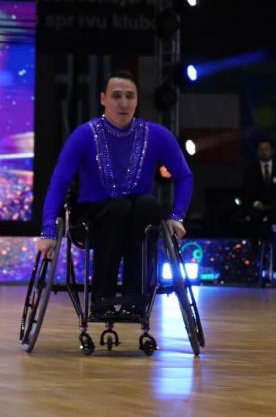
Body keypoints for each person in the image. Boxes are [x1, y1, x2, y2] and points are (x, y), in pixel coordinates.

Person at [36, 70, 192, 320]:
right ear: (103, 99)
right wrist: (48, 231)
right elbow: (59, 181)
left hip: (137, 216)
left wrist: (177, 216)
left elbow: (184, 176)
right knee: (119, 207)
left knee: (149, 205)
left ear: (137, 100)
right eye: (116, 96)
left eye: (129, 96)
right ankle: (102, 299)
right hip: (93, 216)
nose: (123, 103)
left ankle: (136, 300)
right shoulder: (84, 135)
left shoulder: (157, 135)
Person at [242, 139, 276, 281]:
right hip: (257, 211)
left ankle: (275, 270)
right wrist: (255, 203)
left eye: (266, 148)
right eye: (261, 149)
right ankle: (257, 267)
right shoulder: (250, 169)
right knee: (254, 231)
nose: (264, 151)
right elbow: (246, 191)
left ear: (272, 151)